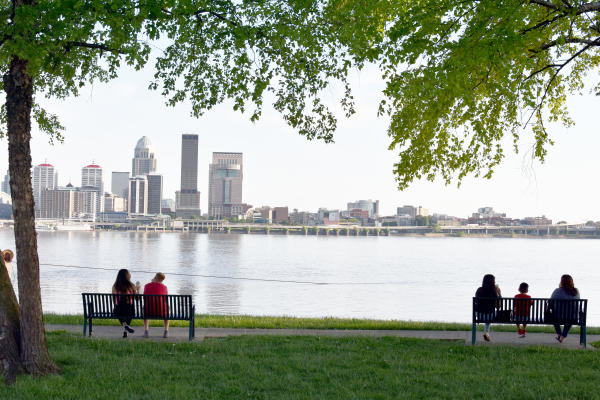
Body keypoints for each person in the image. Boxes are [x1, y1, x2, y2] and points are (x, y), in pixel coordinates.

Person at [551, 274, 580, 343]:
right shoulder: (576, 292)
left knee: (553, 317)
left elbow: (550, 303)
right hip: (572, 318)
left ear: (562, 282)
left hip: (557, 317)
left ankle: (559, 333)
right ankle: (563, 336)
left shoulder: (557, 291)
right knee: (570, 317)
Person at [112, 269, 140, 338]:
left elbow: (114, 299)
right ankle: (125, 331)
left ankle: (125, 325)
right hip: (130, 310)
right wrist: (138, 290)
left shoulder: (115, 286)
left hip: (118, 310)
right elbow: (137, 299)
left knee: (116, 312)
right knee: (129, 313)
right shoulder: (131, 286)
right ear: (128, 276)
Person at [142, 272, 169, 338]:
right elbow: (165, 300)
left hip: (148, 312)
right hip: (161, 312)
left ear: (155, 277)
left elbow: (144, 298)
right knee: (167, 309)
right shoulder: (164, 287)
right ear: (162, 280)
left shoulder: (147, 285)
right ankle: (166, 332)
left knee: (145, 307)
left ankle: (146, 331)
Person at [475, 274, 500, 342]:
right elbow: (498, 307)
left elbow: (477, 302)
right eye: (494, 281)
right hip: (490, 316)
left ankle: (487, 333)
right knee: (490, 313)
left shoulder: (479, 290)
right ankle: (486, 333)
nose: (495, 283)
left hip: (479, 315)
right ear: (492, 282)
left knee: (487, 312)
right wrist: (499, 293)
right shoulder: (493, 292)